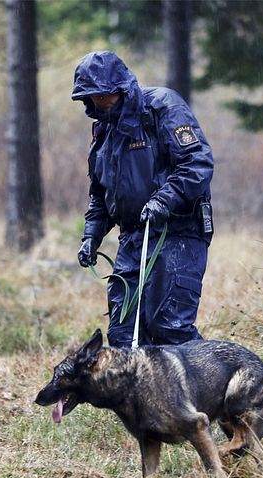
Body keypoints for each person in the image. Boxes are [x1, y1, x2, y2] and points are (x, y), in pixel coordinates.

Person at [71, 51, 214, 348]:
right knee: (123, 335)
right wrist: (91, 237)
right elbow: (100, 195)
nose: (99, 102)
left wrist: (164, 200)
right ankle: (146, 395)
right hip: (132, 239)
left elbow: (197, 163)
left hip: (178, 233)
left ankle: (210, 387)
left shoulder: (161, 107)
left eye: (104, 94)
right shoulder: (103, 131)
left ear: (121, 88)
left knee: (169, 327)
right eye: (92, 97)